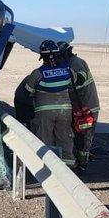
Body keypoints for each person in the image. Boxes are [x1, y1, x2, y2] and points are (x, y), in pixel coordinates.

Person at [19, 39, 76, 169]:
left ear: (42, 57)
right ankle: (68, 167)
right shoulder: (68, 71)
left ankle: (46, 167)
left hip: (44, 113)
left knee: (45, 139)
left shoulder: (37, 74)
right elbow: (74, 84)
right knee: (65, 138)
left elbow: (27, 92)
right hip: (65, 112)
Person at [57, 40, 99, 169]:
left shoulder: (76, 64)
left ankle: (82, 164)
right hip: (80, 107)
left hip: (87, 108)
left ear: (65, 54)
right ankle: (81, 158)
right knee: (77, 135)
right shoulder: (71, 63)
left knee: (84, 137)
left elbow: (79, 82)